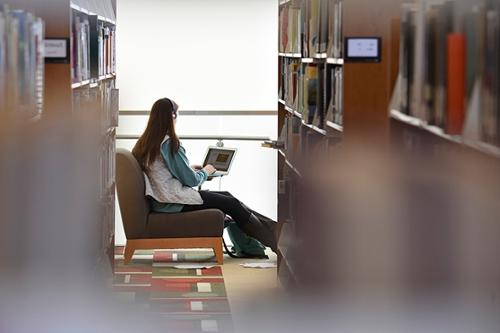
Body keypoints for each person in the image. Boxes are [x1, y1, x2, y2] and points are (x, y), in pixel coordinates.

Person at [132, 98, 277, 253]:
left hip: (163, 200)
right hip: (173, 202)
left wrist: (191, 169)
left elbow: (163, 171)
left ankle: (275, 230)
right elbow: (191, 180)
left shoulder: (145, 143)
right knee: (232, 204)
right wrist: (206, 171)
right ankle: (274, 242)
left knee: (228, 197)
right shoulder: (169, 144)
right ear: (172, 117)